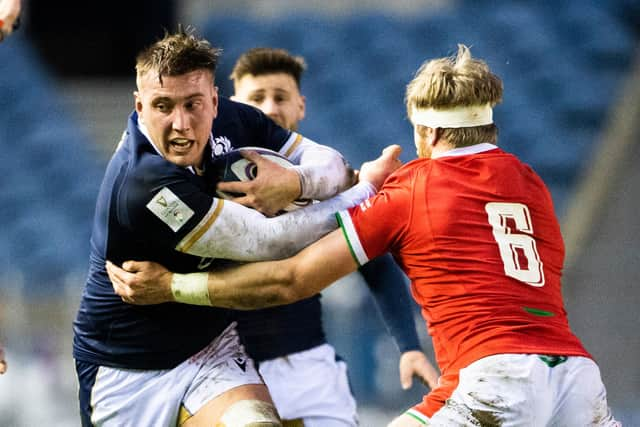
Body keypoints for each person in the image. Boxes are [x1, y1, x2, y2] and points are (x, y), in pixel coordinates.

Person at [109, 44, 620, 426]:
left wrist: (173, 286)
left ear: (430, 133)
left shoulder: (411, 186)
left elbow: (290, 280)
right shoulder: (531, 182)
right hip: (577, 379)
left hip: (496, 380)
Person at [72, 27, 402, 427]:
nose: (180, 124)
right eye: (163, 106)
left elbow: (330, 163)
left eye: (193, 104)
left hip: (211, 350)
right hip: (126, 370)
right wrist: (367, 190)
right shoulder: (142, 184)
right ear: (139, 107)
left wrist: (297, 182)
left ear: (214, 100)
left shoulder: (232, 119)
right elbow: (272, 242)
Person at [229, 47, 437, 426]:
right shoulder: (208, 182)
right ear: (230, 107)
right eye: (256, 98)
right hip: (229, 370)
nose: (270, 108)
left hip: (308, 364)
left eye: (281, 97)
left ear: (301, 106)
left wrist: (408, 345)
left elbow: (374, 262)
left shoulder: (329, 180)